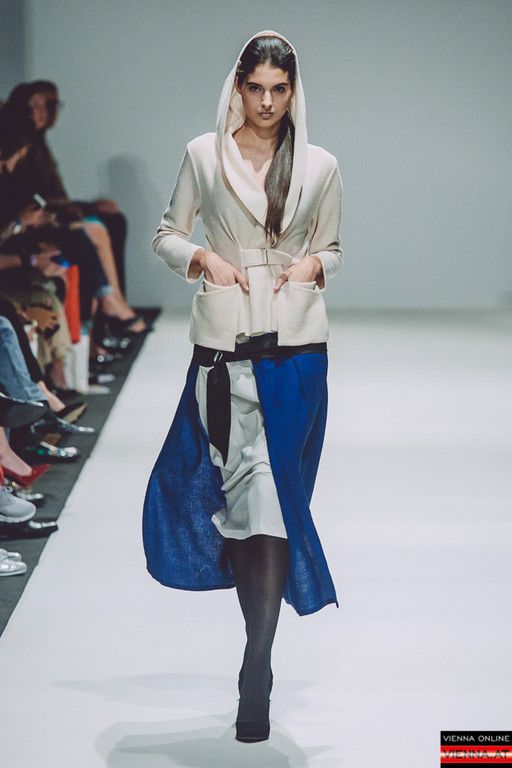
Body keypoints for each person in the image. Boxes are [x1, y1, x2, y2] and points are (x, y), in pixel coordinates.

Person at [142, 30, 343, 743]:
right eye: (255, 88)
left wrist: (313, 266)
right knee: (252, 501)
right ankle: (258, 665)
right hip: (226, 356)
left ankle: (257, 659)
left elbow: (333, 246)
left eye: (278, 90)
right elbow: (166, 234)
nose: (265, 102)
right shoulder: (204, 154)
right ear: (238, 86)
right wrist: (202, 257)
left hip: (297, 352)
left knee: (278, 504)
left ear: (294, 91)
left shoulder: (320, 165)